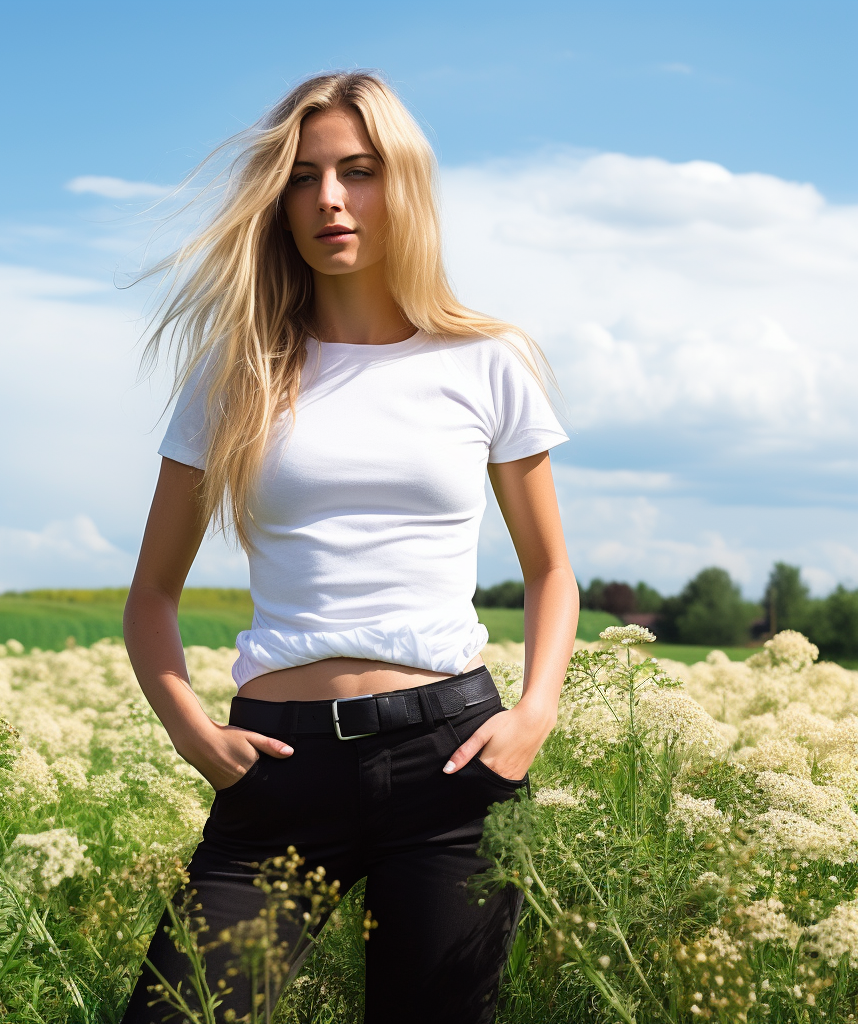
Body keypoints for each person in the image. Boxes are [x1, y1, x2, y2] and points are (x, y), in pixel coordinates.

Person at [120, 70, 579, 1024]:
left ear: (401, 184)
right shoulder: (235, 374)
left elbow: (550, 572)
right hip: (280, 774)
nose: (330, 198)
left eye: (358, 171)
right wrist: (193, 733)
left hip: (452, 765)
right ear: (278, 201)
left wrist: (534, 713)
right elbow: (152, 596)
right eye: (303, 176)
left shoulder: (487, 362)